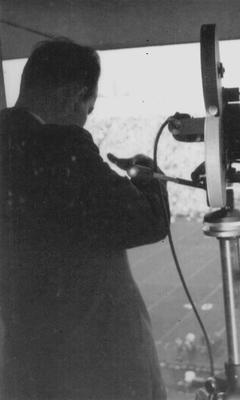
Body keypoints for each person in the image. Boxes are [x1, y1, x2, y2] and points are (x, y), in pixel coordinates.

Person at [0, 38, 169, 400]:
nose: (84, 118)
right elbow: (147, 223)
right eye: (88, 108)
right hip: (85, 356)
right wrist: (146, 174)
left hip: (23, 350)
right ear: (74, 95)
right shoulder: (61, 144)